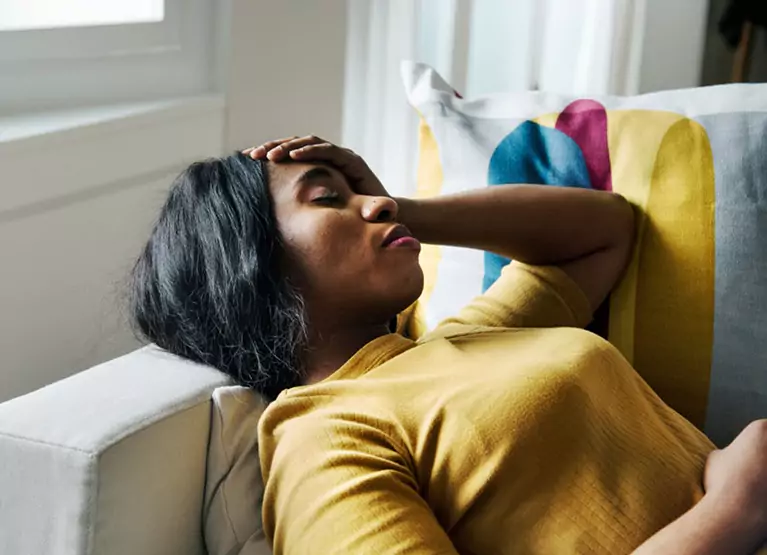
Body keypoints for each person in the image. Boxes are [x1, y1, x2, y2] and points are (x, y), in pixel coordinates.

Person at [130, 136, 767, 554]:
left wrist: (407, 210)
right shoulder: (323, 435)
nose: (372, 203)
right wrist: (732, 515)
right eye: (327, 198)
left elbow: (604, 228)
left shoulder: (466, 340)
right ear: (250, 265)